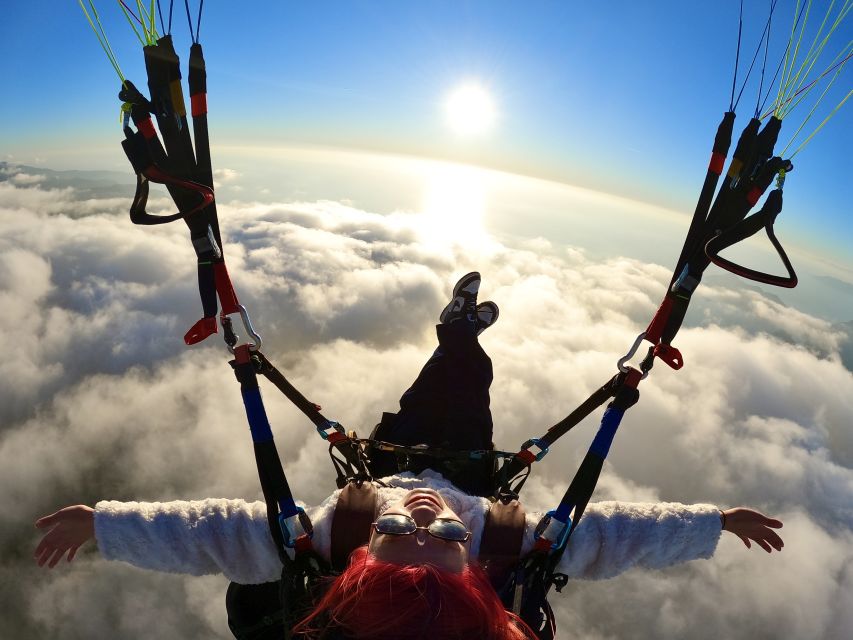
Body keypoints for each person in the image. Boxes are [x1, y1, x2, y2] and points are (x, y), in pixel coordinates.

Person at [34, 273, 785, 639]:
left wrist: (104, 524)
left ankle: (455, 328)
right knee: (471, 383)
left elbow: (204, 533)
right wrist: (710, 523)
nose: (425, 522)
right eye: (446, 539)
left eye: (399, 539)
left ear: (361, 560)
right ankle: (461, 331)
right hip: (470, 470)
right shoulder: (506, 544)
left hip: (382, 464)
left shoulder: (330, 537)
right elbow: (612, 536)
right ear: (480, 575)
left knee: (444, 381)